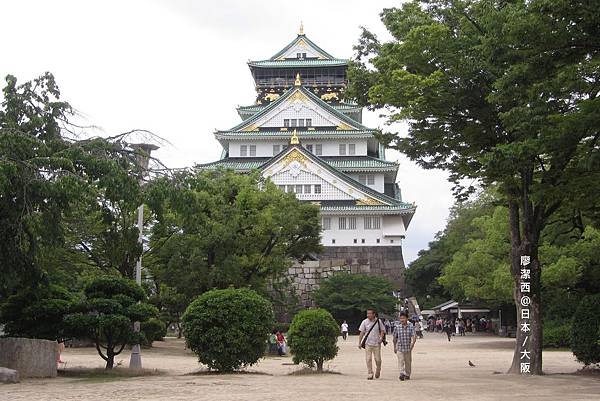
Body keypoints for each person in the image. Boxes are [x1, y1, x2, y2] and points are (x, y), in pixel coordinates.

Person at [358, 308, 386, 380]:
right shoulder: (364, 322)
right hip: (368, 343)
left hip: (376, 343)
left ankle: (378, 369)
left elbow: (382, 330)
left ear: (374, 314)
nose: (368, 315)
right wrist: (359, 342)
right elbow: (361, 332)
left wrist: (381, 338)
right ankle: (370, 373)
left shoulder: (378, 321)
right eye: (367, 313)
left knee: (378, 359)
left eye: (370, 313)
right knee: (368, 359)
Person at [393, 312, 416, 381]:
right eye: (401, 318)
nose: (402, 320)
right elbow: (395, 338)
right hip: (400, 347)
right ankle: (401, 373)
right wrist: (394, 347)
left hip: (408, 348)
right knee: (401, 361)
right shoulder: (397, 327)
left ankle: (407, 374)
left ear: (407, 318)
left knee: (408, 362)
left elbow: (414, 336)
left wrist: (412, 344)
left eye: (403, 318)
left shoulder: (411, 327)